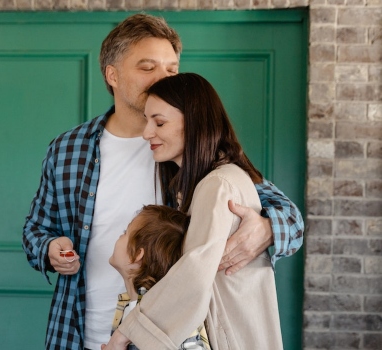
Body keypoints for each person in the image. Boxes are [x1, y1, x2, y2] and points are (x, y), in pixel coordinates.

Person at [21, 13, 303, 350]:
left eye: (171, 69)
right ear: (112, 75)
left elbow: (288, 216)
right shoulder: (68, 149)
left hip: (166, 338)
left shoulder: (189, 147)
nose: (162, 79)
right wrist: (49, 249)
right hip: (79, 331)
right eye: (147, 67)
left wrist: (266, 228)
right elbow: (36, 229)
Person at [105, 72, 285, 349]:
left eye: (160, 122)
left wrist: (126, 332)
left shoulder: (218, 184)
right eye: (147, 121)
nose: (146, 133)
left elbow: (195, 272)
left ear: (195, 123)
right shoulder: (208, 182)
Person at [109, 205, 209, 350]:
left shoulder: (170, 314)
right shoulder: (128, 306)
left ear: (137, 255)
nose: (120, 235)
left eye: (125, 232)